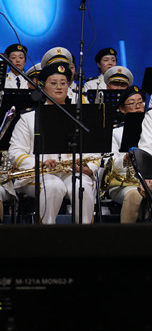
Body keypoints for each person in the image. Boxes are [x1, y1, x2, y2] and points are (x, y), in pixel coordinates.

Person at [8, 63, 100, 223]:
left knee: (82, 186)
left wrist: (88, 168)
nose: (59, 87)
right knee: (53, 186)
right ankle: (46, 233)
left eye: (63, 83)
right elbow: (15, 151)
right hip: (38, 174)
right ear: (43, 86)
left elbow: (94, 150)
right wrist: (39, 163)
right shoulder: (29, 118)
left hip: (70, 172)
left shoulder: (80, 117)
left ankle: (85, 233)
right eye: (53, 83)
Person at [106, 85, 147, 223]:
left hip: (150, 180)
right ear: (122, 109)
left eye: (140, 102)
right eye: (131, 103)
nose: (137, 106)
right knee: (135, 194)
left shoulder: (151, 127)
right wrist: (124, 159)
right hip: (123, 181)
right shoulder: (114, 132)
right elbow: (109, 162)